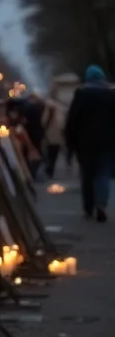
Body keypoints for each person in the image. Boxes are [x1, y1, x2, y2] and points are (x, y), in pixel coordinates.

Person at [65, 65, 115, 221]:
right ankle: (101, 204)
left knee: (87, 175)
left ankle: (88, 207)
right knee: (103, 175)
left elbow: (73, 120)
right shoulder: (111, 94)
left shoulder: (81, 94)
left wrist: (70, 143)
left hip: (84, 143)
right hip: (108, 142)